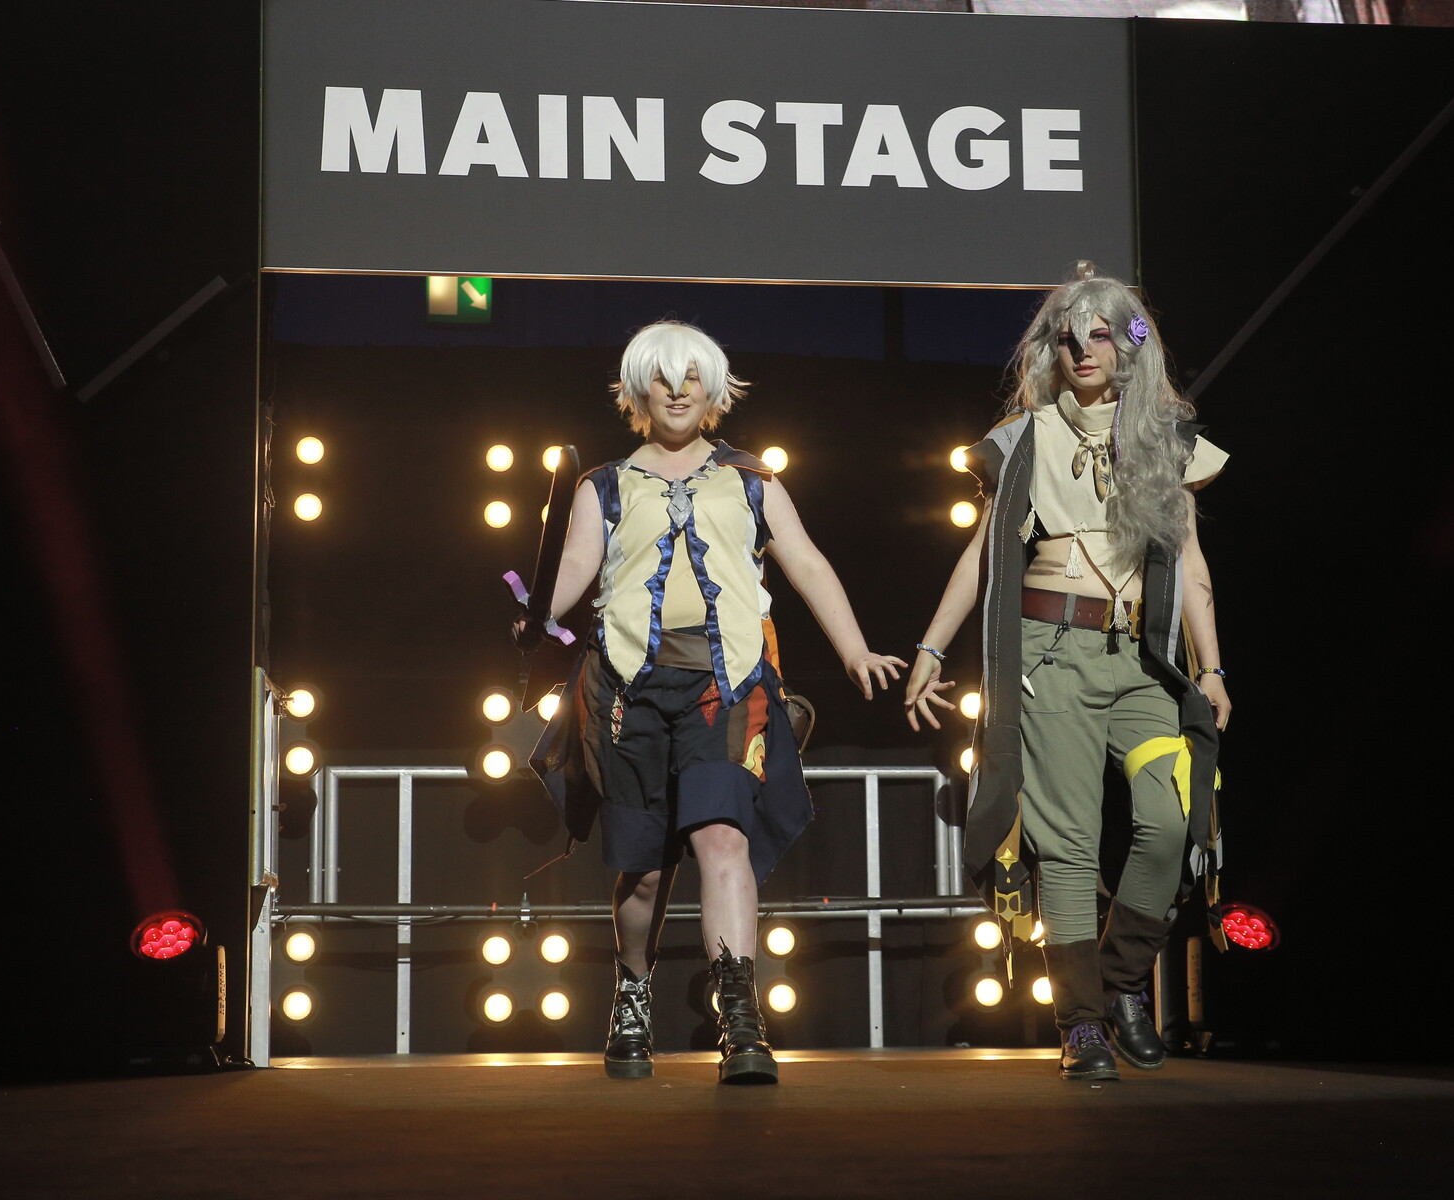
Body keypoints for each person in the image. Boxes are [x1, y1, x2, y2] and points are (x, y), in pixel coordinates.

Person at [523, 320, 904, 1085]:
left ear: (714, 390)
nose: (676, 391)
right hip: (627, 691)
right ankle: (633, 992)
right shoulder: (603, 485)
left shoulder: (753, 479)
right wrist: (536, 615)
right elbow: (573, 567)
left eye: (690, 377)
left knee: (723, 839)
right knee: (643, 872)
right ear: (639, 391)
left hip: (724, 687)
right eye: (662, 379)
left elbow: (806, 562)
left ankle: (740, 1016)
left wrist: (855, 649)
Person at [904, 266, 1230, 1080]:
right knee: (1069, 846)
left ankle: (1119, 986)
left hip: (1144, 664)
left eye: (1100, 335)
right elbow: (982, 556)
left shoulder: (1165, 442)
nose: (1083, 350)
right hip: (1052, 656)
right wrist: (932, 649)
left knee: (1171, 820)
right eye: (1068, 337)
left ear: (1128, 346)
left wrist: (1213, 668)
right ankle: (1082, 1024)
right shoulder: (1026, 438)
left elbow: (1191, 563)